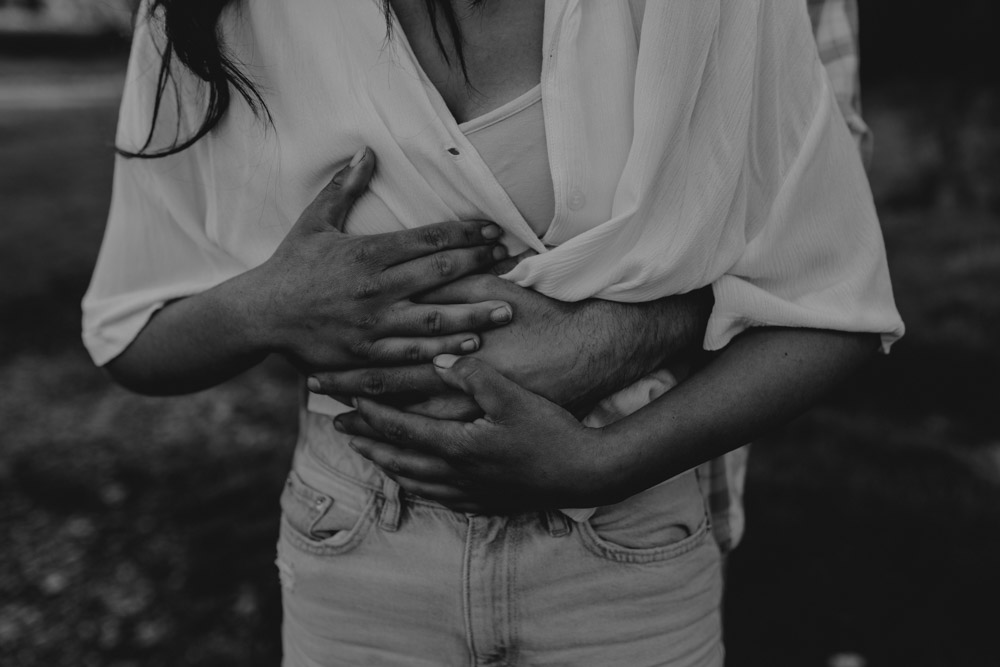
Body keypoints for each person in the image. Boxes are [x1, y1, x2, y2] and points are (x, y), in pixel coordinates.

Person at [82, 1, 903, 665]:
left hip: (621, 544)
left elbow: (833, 304)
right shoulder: (212, 21)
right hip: (363, 544)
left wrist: (601, 461)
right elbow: (132, 334)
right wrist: (263, 305)